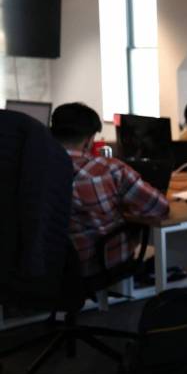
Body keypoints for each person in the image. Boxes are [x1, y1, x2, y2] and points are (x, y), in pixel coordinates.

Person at [50, 103, 169, 277]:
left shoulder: (29, 168)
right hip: (95, 263)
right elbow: (159, 208)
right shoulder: (110, 170)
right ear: (89, 139)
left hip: (45, 265)